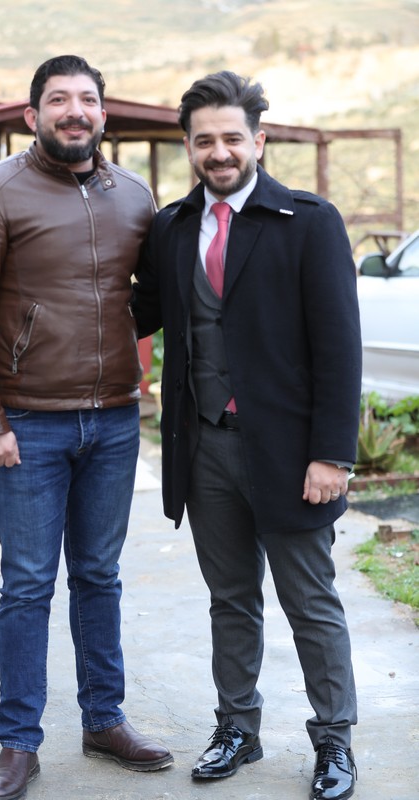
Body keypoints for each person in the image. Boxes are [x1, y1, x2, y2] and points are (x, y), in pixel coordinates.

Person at [0, 54, 173, 800]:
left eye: (87, 99)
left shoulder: (134, 195)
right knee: (28, 586)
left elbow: (150, 297)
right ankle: (18, 743)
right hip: (27, 425)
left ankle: (104, 720)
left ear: (103, 112)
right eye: (59, 99)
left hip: (114, 420)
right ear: (32, 114)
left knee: (99, 577)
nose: (75, 111)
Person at [132, 70, 362, 800]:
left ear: (258, 141)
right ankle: (237, 728)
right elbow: (138, 312)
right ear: (189, 148)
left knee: (310, 602)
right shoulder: (171, 227)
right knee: (230, 599)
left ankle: (333, 739)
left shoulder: (308, 221)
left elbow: (339, 347)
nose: (219, 151)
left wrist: (332, 454)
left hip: (291, 455)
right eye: (204, 140)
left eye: (232, 137)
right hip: (204, 448)